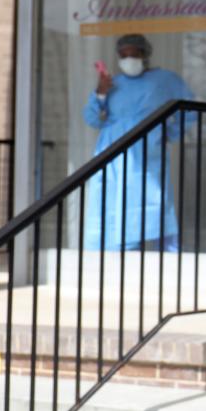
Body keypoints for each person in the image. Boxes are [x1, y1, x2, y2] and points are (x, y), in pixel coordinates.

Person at [84, 33, 194, 251]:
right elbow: (92, 118)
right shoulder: (113, 84)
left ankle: (169, 260)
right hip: (112, 152)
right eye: (124, 55)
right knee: (112, 203)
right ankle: (111, 259)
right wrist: (101, 94)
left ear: (146, 55)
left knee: (152, 202)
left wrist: (169, 133)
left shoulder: (165, 80)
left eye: (134, 54)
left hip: (146, 150)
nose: (129, 59)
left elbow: (189, 110)